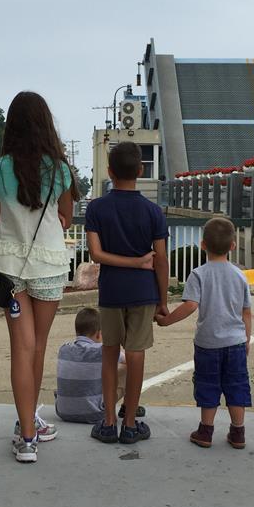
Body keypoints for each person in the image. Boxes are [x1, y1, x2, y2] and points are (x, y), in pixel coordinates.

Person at [0, 91, 79, 463]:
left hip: (9, 267)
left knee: (20, 348)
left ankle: (26, 436)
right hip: (49, 266)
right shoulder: (60, 170)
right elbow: (66, 218)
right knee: (37, 346)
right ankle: (32, 422)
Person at [84, 141, 169, 446]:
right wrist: (163, 300)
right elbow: (161, 260)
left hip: (111, 291)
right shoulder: (153, 211)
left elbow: (96, 254)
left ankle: (108, 423)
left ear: (110, 172)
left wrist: (127, 262)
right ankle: (130, 424)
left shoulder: (96, 208)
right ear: (141, 171)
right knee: (135, 355)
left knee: (109, 353)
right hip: (143, 292)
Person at [156, 216, 252, 449]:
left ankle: (206, 431)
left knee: (208, 384)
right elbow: (246, 312)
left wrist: (167, 320)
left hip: (208, 344)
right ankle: (238, 432)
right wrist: (246, 340)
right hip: (236, 343)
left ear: (203, 245)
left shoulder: (198, 274)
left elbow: (190, 305)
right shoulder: (240, 275)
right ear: (233, 246)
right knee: (236, 385)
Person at [54, 307, 138, 424]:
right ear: (99, 334)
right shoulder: (101, 350)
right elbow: (129, 362)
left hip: (63, 412)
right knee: (127, 368)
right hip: (95, 413)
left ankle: (70, 402)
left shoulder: (64, 349)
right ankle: (127, 406)